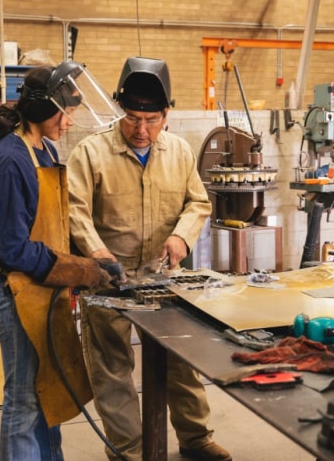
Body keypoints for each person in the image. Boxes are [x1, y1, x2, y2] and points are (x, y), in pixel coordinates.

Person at [67, 57, 232, 461]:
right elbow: (73, 208)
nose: (141, 130)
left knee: (181, 359)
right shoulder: (91, 153)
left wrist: (181, 237)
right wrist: (95, 250)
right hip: (109, 278)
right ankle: (128, 448)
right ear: (121, 110)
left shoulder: (178, 152)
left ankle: (195, 439)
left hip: (165, 276)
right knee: (112, 367)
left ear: (167, 115)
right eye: (133, 118)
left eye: (151, 119)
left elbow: (197, 202)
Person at [0, 62, 124, 461]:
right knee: (24, 399)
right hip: (17, 289)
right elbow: (12, 248)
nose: (71, 120)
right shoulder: (12, 159)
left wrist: (90, 260)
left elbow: (49, 230)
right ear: (44, 111)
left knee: (47, 394)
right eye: (67, 111)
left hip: (42, 288)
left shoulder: (44, 148)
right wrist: (79, 269)